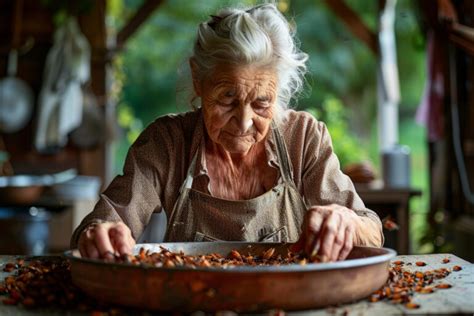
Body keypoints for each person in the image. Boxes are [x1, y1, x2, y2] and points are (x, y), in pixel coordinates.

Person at [71, 3, 383, 262]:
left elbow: (371, 230)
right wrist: (101, 233)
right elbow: (104, 222)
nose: (245, 121)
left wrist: (347, 222)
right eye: (227, 99)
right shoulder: (167, 143)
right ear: (198, 80)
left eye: (262, 103)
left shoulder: (303, 139)